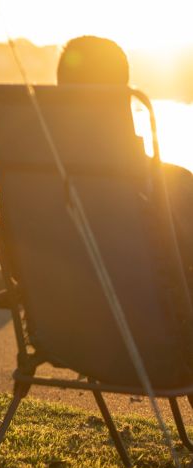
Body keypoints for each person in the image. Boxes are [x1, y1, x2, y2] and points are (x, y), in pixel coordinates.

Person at [57, 36, 193, 290]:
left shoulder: (32, 177)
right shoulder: (174, 185)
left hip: (62, 317)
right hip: (152, 319)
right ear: (125, 93)